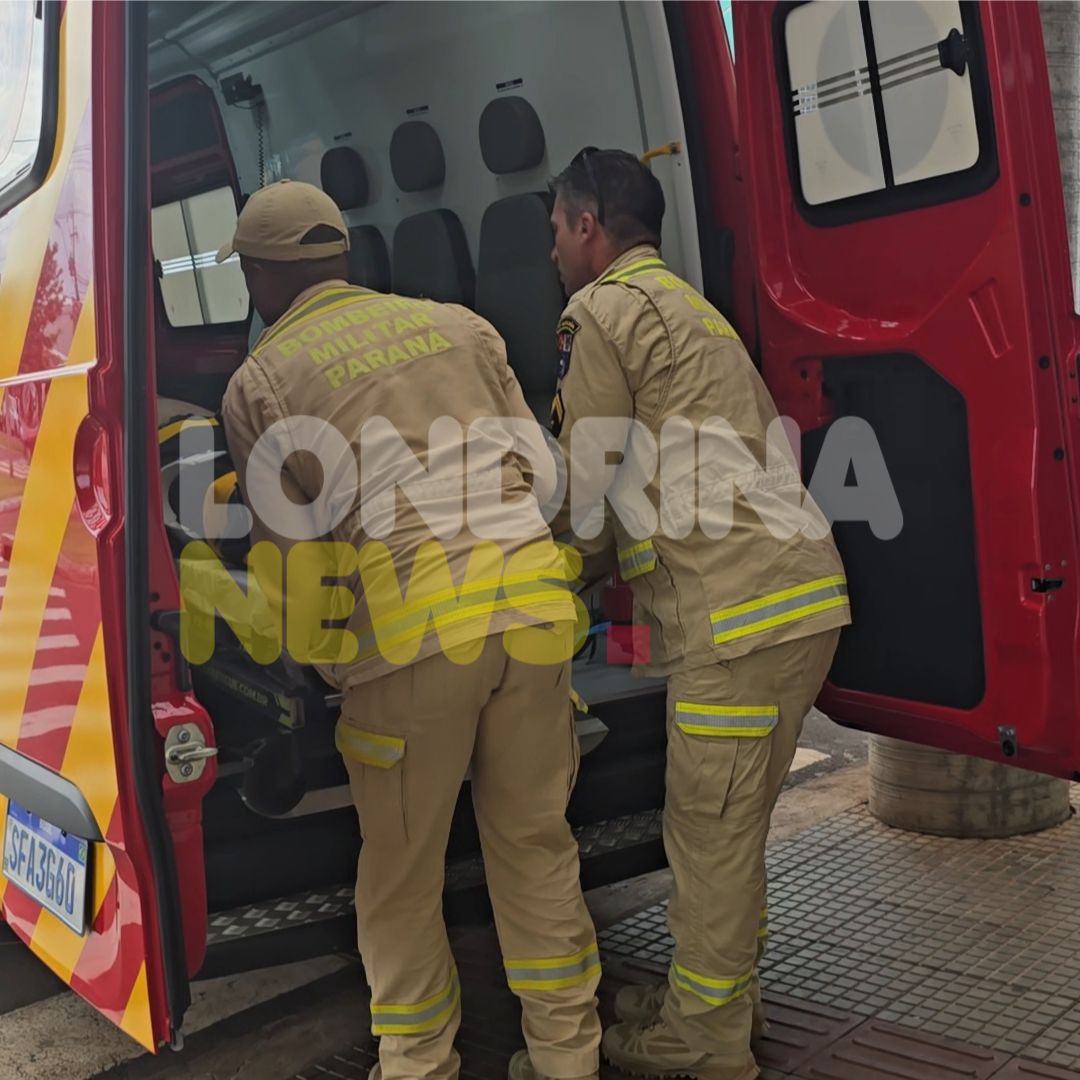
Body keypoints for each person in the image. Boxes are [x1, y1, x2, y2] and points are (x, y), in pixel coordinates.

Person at [214, 179, 602, 1080]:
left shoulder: (261, 381)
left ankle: (421, 1066)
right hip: (535, 610)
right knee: (538, 849)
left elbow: (294, 570)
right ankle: (567, 1060)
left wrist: (329, 672)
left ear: (262, 278)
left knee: (400, 879)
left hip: (413, 640)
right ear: (344, 255)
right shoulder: (461, 326)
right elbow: (545, 484)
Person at [546, 149, 851, 1080]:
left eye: (556, 228)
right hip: (796, 603)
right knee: (730, 833)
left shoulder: (599, 310)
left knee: (710, 840)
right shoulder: (691, 309)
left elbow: (588, 479)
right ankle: (712, 1002)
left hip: (738, 618)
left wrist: (538, 563)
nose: (554, 249)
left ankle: (707, 1046)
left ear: (589, 226)